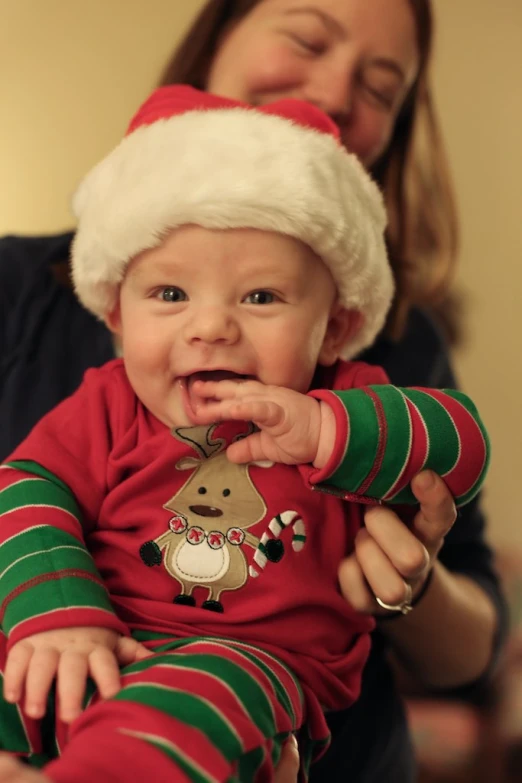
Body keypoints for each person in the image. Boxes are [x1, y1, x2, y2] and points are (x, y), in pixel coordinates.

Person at [0, 2, 506, 781]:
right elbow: (25, 487)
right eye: (169, 296)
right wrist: (58, 614)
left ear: (334, 327)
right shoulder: (104, 400)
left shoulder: (352, 392)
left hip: (244, 668)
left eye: (261, 299)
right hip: (86, 646)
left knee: (188, 709)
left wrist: (327, 434)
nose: (211, 328)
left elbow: (461, 445)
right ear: (114, 312)